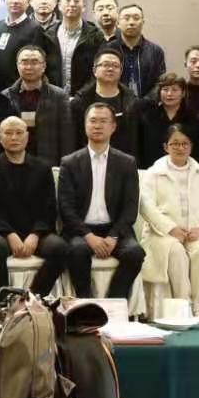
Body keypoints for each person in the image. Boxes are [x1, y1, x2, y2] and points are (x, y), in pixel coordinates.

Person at [59, 102, 145, 299]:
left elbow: (130, 207)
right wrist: (89, 236)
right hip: (80, 231)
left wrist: (113, 236)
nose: (97, 126)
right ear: (85, 125)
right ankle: (86, 302)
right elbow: (66, 208)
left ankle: (113, 302)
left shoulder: (126, 162)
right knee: (77, 250)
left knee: (135, 253)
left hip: (114, 230)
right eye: (93, 121)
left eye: (103, 121)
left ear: (113, 127)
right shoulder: (70, 162)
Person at [140, 125, 199, 317]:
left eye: (185, 144)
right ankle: (182, 305)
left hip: (194, 233)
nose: (180, 148)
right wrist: (170, 228)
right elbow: (146, 206)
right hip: (161, 235)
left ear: (191, 146)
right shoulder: (154, 173)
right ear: (166, 147)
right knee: (175, 251)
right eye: (175, 143)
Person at [0, 116, 68, 297]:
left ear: (27, 137)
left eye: (19, 133)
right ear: (0, 138)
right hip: (0, 231)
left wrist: (35, 234)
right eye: (8, 133)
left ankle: (33, 297)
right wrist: (9, 234)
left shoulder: (43, 168)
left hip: (36, 231)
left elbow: (49, 207)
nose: (14, 137)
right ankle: (3, 301)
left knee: (59, 248)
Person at [2, 45, 75, 164]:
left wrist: (65, 166)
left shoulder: (59, 96)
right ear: (17, 65)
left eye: (34, 62)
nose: (29, 67)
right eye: (24, 62)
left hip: (48, 163)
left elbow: (67, 137)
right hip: (14, 162)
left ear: (44, 66)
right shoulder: (5, 96)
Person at [0, 0, 61, 92]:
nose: (15, 1)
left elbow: (38, 67)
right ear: (4, 0)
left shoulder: (36, 30)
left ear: (28, 2)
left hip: (21, 92)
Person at [134, 72, 199, 167]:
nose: (169, 94)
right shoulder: (147, 117)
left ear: (183, 93)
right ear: (159, 92)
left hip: (186, 170)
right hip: (153, 170)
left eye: (174, 90)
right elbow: (139, 149)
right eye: (165, 89)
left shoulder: (193, 119)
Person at [70, 50, 139, 154]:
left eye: (115, 66)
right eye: (105, 65)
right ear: (94, 70)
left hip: (125, 158)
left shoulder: (132, 102)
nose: (110, 69)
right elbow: (73, 138)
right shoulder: (79, 102)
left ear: (121, 72)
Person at [100, 4, 167, 98]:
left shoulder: (155, 51)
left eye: (136, 18)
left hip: (147, 104)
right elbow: (100, 79)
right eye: (126, 18)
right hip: (114, 103)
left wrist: (145, 101)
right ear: (118, 23)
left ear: (143, 22)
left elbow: (160, 82)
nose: (131, 22)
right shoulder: (107, 49)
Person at [56, 0, 105, 94]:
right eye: (68, 0)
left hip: (85, 97)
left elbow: (98, 71)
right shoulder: (49, 35)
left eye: (76, 1)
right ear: (59, 6)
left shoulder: (96, 36)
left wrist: (80, 96)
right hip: (54, 97)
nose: (72, 4)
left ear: (83, 7)